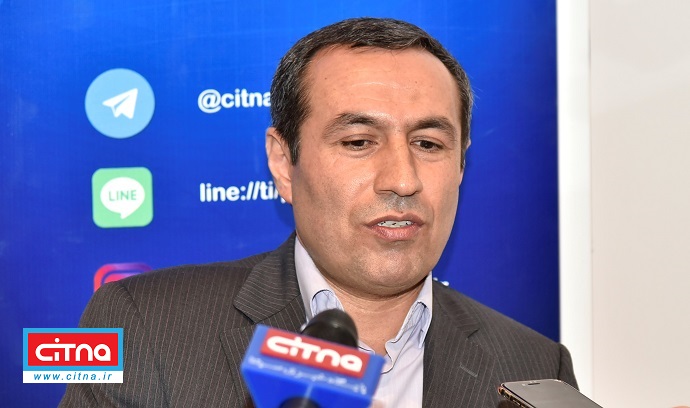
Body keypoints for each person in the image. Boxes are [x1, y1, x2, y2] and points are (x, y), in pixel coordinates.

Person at [60, 17, 576, 407]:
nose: (402, 179)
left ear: (461, 164)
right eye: (358, 142)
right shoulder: (142, 325)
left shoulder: (534, 365)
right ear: (283, 163)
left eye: (428, 144)